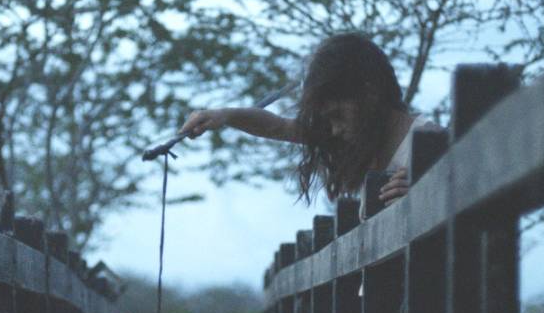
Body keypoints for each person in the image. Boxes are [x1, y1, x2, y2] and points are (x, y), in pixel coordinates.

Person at [179, 32, 443, 210]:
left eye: (338, 115)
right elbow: (279, 126)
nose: (335, 130)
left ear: (370, 94)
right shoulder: (362, 142)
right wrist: (224, 116)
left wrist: (430, 191)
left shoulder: (436, 144)